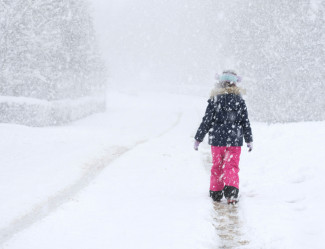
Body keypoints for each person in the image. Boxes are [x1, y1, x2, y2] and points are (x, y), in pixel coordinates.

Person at [194, 70, 253, 204]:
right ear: (235, 83)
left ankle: (216, 192)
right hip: (234, 139)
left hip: (217, 139)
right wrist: (249, 140)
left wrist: (198, 138)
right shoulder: (239, 101)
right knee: (231, 166)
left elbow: (207, 121)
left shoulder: (215, 100)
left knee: (217, 166)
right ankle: (231, 193)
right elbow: (245, 122)